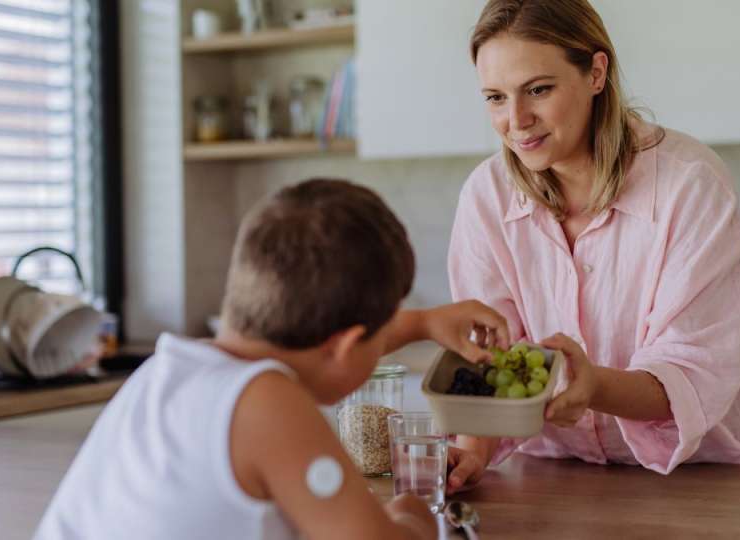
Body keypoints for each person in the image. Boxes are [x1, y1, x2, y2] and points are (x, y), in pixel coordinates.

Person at [35, 178, 509, 540]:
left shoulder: (168, 370)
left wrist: (425, 323)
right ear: (346, 343)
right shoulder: (267, 404)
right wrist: (413, 517)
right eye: (387, 327)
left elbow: (327, 350)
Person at [445, 0, 740, 492]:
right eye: (495, 98)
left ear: (596, 72)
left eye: (537, 90)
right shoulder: (485, 197)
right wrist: (472, 452)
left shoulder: (688, 185)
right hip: (557, 475)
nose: (516, 120)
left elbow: (689, 370)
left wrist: (593, 385)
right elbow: (493, 355)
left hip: (705, 476)